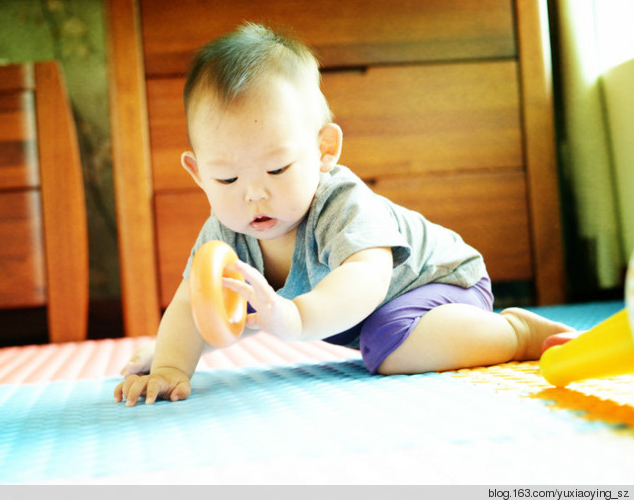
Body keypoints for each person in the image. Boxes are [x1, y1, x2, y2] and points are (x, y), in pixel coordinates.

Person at [114, 22, 574, 407]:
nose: (254, 194)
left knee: (385, 344)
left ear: (323, 150)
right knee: (381, 337)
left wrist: (292, 316)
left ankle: (517, 332)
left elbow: (367, 280)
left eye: (277, 168)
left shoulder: (340, 203)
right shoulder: (224, 233)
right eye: (227, 179)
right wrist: (171, 363)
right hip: (376, 315)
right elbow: (192, 304)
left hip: (438, 284)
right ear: (198, 173)